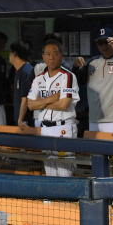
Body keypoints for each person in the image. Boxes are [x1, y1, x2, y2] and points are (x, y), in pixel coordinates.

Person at [28, 40, 79, 177]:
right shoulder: (38, 79)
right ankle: (53, 197)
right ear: (43, 57)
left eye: (55, 53)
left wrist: (41, 103)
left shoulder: (68, 77)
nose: (52, 57)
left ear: (61, 55)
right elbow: (30, 105)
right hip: (45, 128)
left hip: (64, 127)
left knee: (64, 170)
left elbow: (63, 105)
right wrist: (50, 99)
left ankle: (67, 198)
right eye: (48, 54)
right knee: (49, 167)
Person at [73, 28, 113, 133]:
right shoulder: (93, 62)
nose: (104, 46)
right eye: (100, 43)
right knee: (96, 149)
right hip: (94, 119)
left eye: (107, 42)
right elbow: (77, 80)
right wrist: (75, 67)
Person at [9, 40, 35, 129]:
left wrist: (21, 119)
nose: (9, 55)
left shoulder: (27, 71)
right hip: (20, 121)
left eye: (10, 52)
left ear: (15, 53)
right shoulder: (18, 71)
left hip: (26, 121)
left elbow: (26, 99)